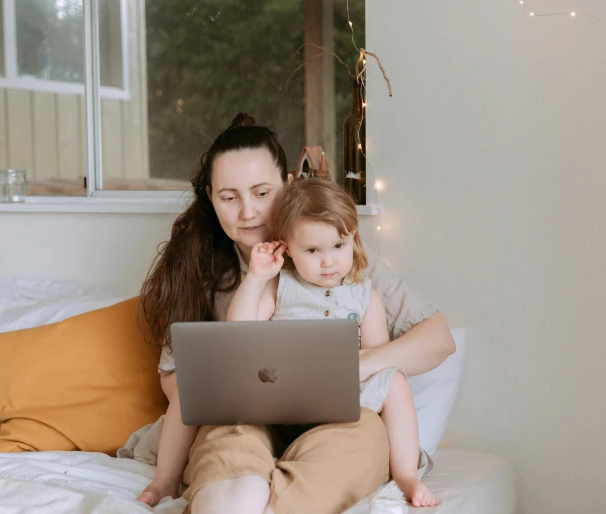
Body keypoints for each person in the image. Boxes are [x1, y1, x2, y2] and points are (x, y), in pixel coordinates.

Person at [136, 113, 455, 514]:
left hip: (337, 416)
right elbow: (175, 378)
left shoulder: (338, 256)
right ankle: (230, 500)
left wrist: (362, 363)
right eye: (229, 197)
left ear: (287, 186)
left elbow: (439, 339)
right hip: (242, 414)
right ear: (211, 199)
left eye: (261, 193)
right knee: (230, 445)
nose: (247, 213)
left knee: (361, 437)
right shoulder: (197, 268)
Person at [226, 178, 439, 507]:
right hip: (286, 395)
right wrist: (256, 278)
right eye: (312, 250)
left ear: (352, 238)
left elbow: (377, 356)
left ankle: (406, 473)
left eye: (338, 246)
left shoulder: (364, 294)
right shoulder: (279, 287)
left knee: (394, 380)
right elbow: (237, 333)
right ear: (287, 248)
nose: (328, 261)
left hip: (343, 398)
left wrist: (352, 372)